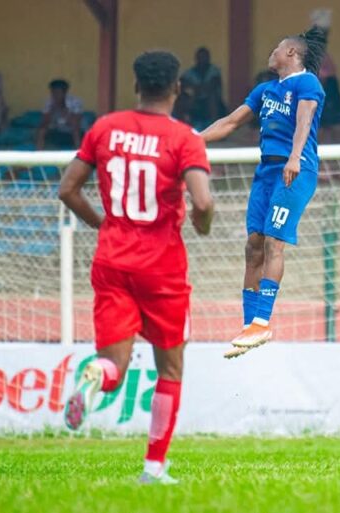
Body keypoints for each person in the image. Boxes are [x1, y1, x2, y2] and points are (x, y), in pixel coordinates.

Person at [59, 50, 214, 484]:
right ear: (177, 88)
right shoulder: (184, 138)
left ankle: (96, 375)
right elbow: (203, 202)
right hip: (162, 266)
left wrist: (103, 224)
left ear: (136, 86)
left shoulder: (105, 128)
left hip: (112, 260)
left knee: (114, 363)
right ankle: (153, 467)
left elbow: (67, 189)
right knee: (170, 368)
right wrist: (202, 225)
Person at [201, 27, 326, 357]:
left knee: (273, 242)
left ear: (291, 53)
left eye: (276, 48)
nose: (271, 53)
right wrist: (193, 140)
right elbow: (230, 122)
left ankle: (262, 322)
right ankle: (249, 326)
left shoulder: (307, 83)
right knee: (253, 245)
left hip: (295, 169)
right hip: (266, 171)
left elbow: (304, 121)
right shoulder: (265, 90)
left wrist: (295, 157)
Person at [180, 47, 226, 129]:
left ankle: (214, 126)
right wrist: (196, 90)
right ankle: (187, 125)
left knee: (212, 97)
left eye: (204, 57)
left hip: (211, 102)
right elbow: (183, 83)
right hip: (195, 100)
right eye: (200, 57)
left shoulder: (214, 70)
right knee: (184, 98)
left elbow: (213, 84)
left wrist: (197, 88)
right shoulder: (190, 72)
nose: (202, 60)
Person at [35, 79, 83, 149]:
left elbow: (76, 122)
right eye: (53, 92)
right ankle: (39, 153)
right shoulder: (49, 101)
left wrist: (63, 109)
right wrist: (52, 109)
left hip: (73, 131)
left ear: (65, 92)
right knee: (41, 130)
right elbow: (45, 122)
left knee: (75, 129)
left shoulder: (75, 101)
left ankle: (78, 152)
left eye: (57, 92)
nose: (55, 95)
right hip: (57, 130)